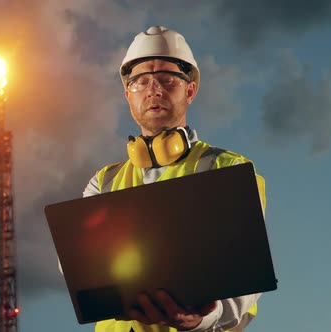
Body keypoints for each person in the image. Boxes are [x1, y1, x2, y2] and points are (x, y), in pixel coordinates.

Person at [82, 26, 267, 332]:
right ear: (128, 94)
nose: (154, 90)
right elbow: (81, 270)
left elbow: (247, 273)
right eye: (141, 81)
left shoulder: (228, 169)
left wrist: (203, 319)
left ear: (190, 90)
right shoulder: (103, 183)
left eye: (167, 80)